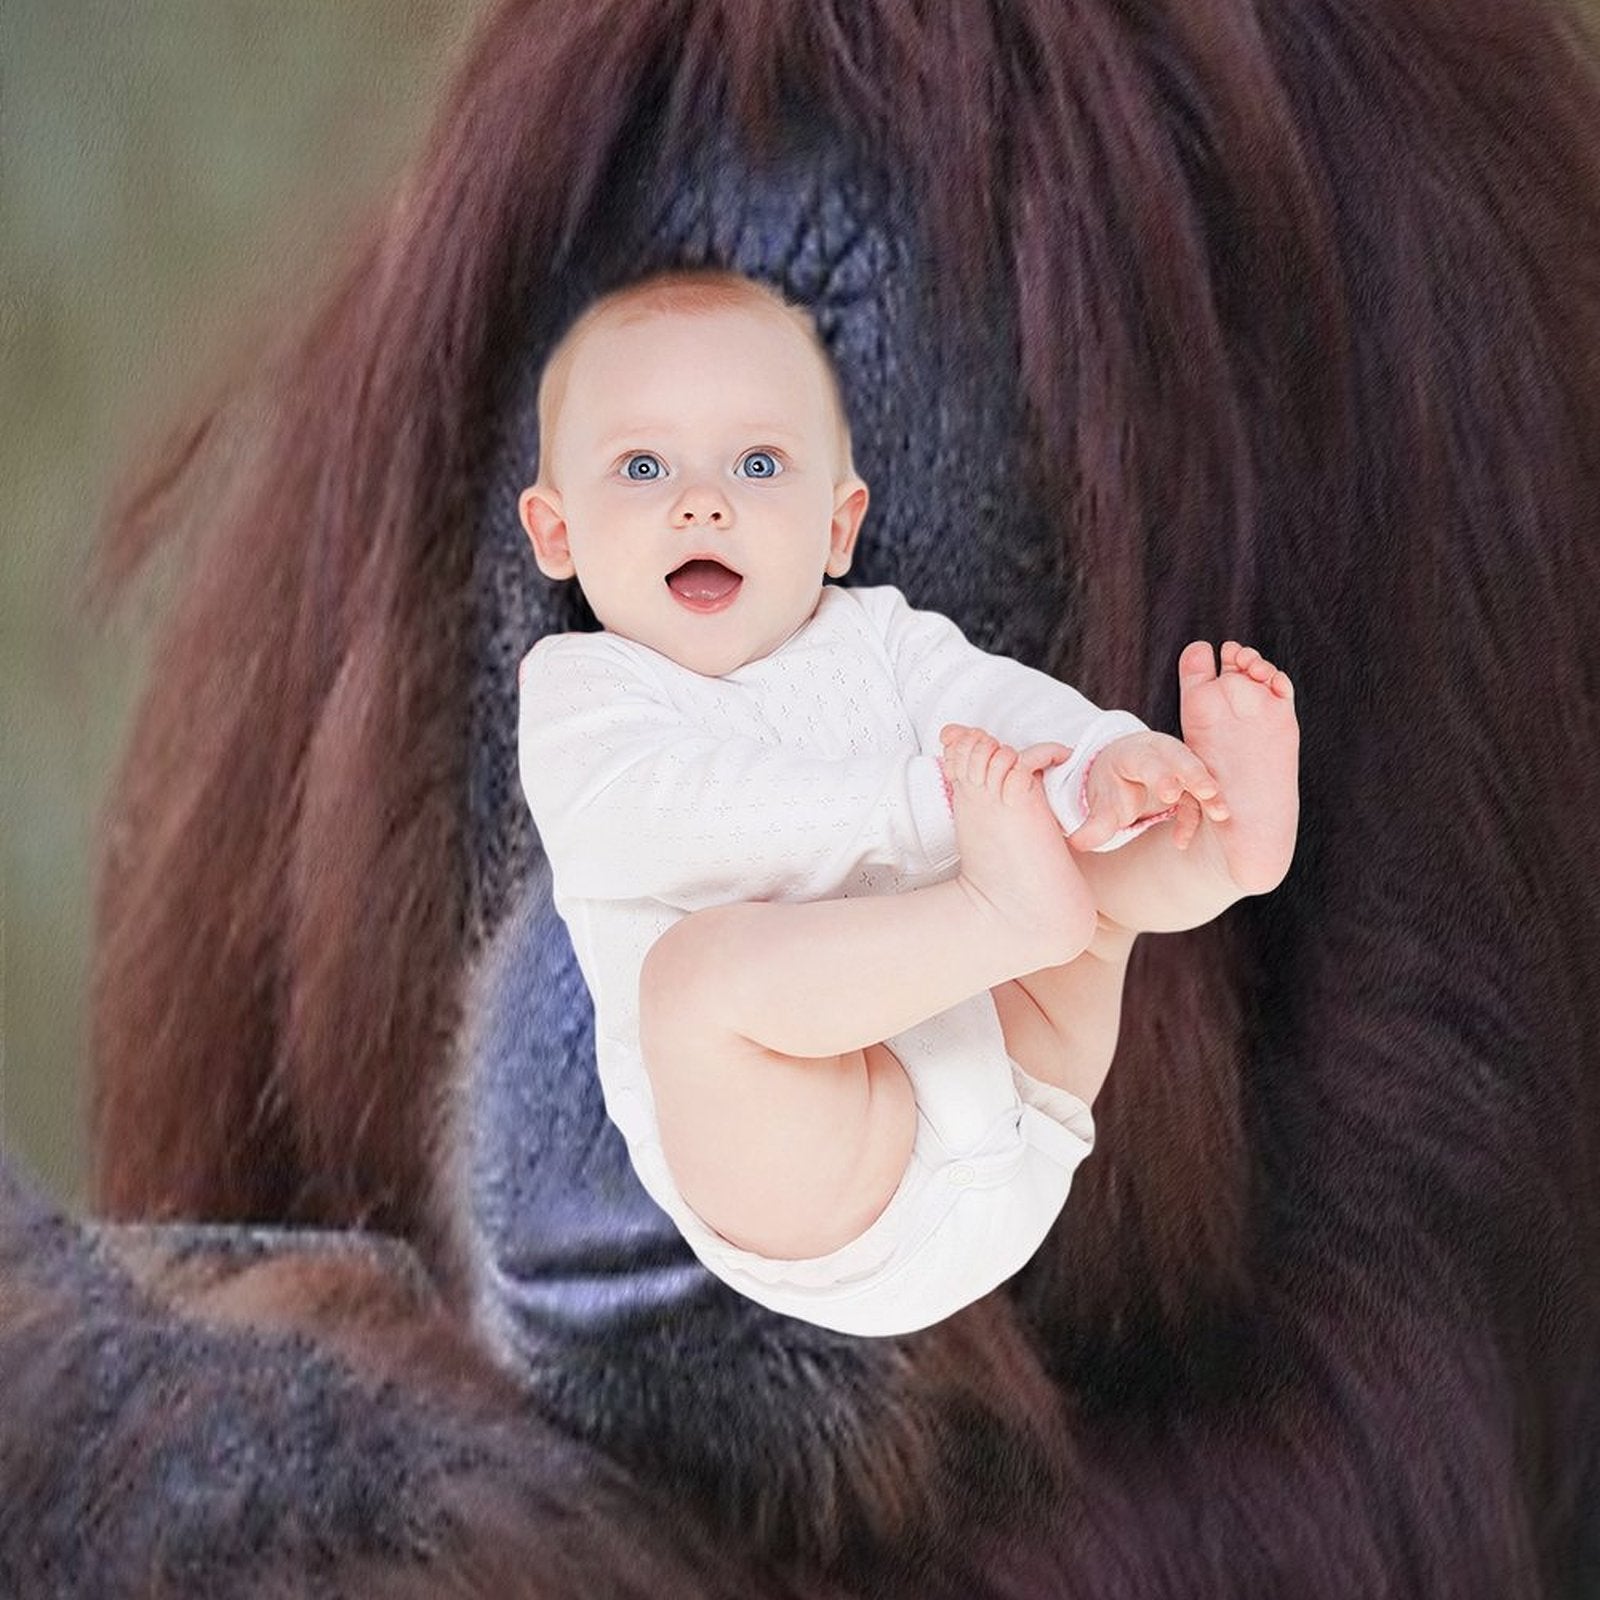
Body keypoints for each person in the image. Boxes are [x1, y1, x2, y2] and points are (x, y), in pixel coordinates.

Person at [515, 268, 1299, 1337]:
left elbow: (993, 705)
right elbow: (682, 820)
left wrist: (1097, 762)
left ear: (838, 528)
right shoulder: (583, 698)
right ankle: (1015, 910)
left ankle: (1212, 849)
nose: (703, 501)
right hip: (829, 1179)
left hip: (1023, 1087)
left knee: (1087, 871)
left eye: (757, 463)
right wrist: (932, 809)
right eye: (642, 466)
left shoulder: (877, 635)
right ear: (556, 534)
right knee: (692, 986)